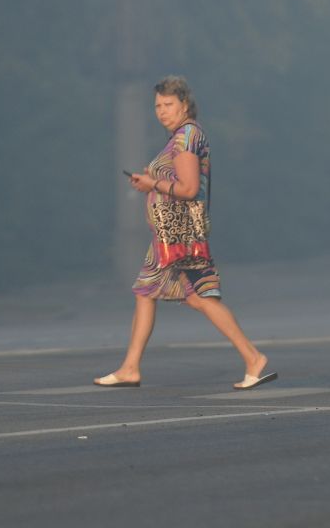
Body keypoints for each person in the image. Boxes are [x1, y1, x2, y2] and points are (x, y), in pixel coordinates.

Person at [94, 75, 275, 390]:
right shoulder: (181, 136)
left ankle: (253, 357)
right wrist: (149, 184)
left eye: (168, 104)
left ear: (185, 104)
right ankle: (130, 367)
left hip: (181, 236)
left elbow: (189, 189)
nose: (162, 111)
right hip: (168, 236)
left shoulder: (187, 137)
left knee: (201, 298)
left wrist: (152, 183)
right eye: (157, 106)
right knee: (147, 292)